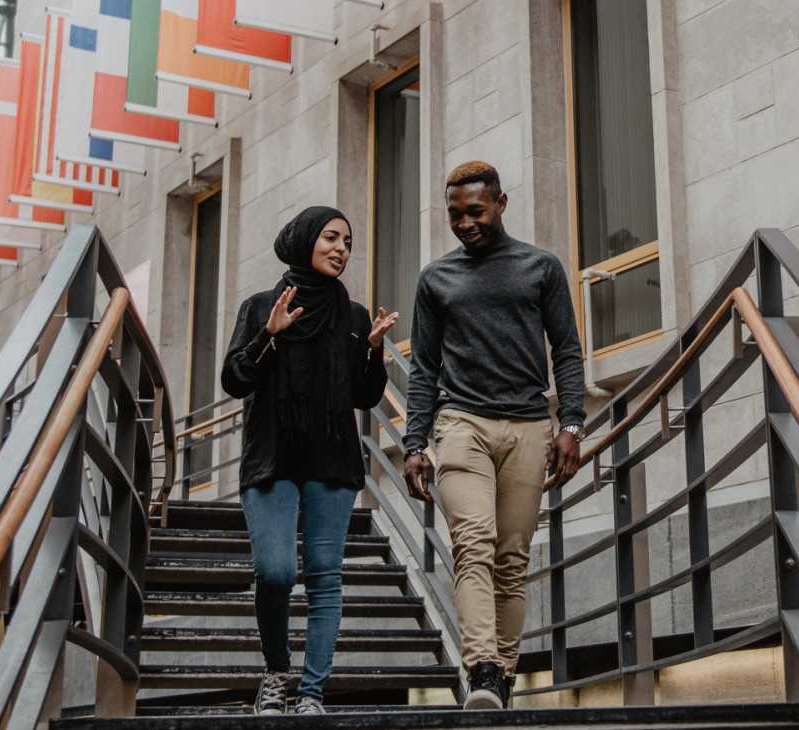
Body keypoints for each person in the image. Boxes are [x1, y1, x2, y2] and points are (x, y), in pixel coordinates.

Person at [401, 161, 587, 710]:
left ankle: (501, 678)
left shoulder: (540, 267)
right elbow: (424, 369)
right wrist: (415, 442)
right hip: (462, 425)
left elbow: (568, 350)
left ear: (501, 204)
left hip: (529, 426)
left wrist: (571, 423)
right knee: (473, 543)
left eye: (476, 212)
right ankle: (481, 668)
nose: (465, 224)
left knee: (511, 556)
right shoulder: (436, 278)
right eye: (455, 214)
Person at [221, 206, 398, 716]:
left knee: (325, 576)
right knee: (275, 572)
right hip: (272, 456)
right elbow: (235, 380)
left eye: (347, 241)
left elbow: (364, 398)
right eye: (331, 238)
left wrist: (372, 353)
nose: (341, 248)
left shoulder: (356, 316)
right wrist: (269, 335)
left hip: (331, 460)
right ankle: (277, 672)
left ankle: (313, 692)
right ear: (303, 241)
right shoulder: (260, 307)